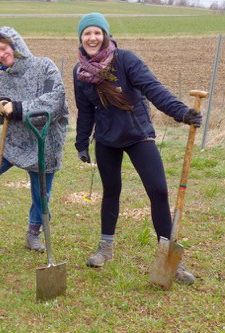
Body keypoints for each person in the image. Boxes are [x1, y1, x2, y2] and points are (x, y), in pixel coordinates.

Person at [73, 13, 201, 284]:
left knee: (158, 190)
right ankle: (105, 248)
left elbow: (154, 90)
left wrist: (181, 113)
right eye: (87, 33)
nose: (92, 38)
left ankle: (169, 259)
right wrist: (81, 142)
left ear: (105, 35)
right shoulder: (80, 72)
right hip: (107, 139)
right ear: (81, 38)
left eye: (97, 32)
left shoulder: (126, 60)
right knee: (111, 191)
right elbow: (85, 111)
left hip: (138, 134)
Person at [0, 26, 69, 251]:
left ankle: (33, 233)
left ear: (16, 45)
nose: (1, 54)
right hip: (13, 140)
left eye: (4, 48)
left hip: (43, 140)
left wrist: (18, 108)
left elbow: (54, 101)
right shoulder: (2, 80)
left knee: (41, 193)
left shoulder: (44, 66)